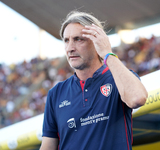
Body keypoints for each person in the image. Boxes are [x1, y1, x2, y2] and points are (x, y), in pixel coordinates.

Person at [40, 10, 148, 150]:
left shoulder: (118, 78)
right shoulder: (56, 93)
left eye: (78, 39)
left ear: (97, 41)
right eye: (66, 40)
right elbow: (48, 146)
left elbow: (137, 98)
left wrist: (107, 53)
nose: (70, 48)